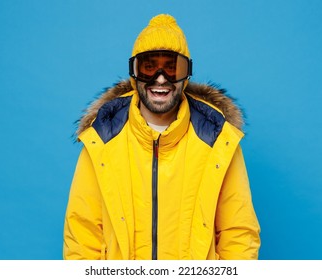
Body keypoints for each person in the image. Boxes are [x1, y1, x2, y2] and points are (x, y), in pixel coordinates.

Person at [63, 14, 260, 260]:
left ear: (186, 74)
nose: (160, 78)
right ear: (134, 73)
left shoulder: (218, 139)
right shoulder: (102, 137)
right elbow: (83, 232)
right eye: (148, 67)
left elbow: (238, 232)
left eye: (171, 67)